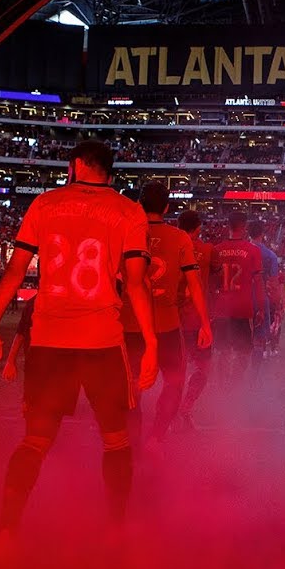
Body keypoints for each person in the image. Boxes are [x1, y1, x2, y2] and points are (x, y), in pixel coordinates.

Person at [0, 140, 158, 555]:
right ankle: (115, 529)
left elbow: (16, 270)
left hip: (48, 340)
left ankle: (6, 531)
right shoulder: (128, 210)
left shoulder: (43, 205)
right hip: (100, 340)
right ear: (109, 171)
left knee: (34, 441)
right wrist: (150, 343)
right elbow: (135, 283)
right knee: (116, 441)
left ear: (77, 165)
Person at [119, 182, 213, 453]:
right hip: (167, 326)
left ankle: (132, 439)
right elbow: (194, 285)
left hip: (130, 325)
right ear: (167, 207)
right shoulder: (180, 237)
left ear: (139, 205)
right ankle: (156, 437)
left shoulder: (126, 233)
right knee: (174, 383)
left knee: (131, 386)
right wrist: (205, 324)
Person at [175, 208, 219, 432]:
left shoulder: (169, 248)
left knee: (174, 371)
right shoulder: (207, 249)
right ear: (198, 229)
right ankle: (185, 407)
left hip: (171, 321)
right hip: (197, 321)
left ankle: (170, 413)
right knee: (203, 369)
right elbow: (216, 280)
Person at [212, 211, 265, 385]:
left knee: (223, 350)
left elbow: (212, 283)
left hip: (222, 308)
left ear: (228, 225)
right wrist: (261, 309)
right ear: (244, 227)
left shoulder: (217, 250)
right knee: (244, 351)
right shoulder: (253, 251)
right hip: (243, 309)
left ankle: (222, 384)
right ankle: (235, 382)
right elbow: (258, 282)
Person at [247, 221, 280, 359]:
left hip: (242, 297)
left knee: (238, 339)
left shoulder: (244, 251)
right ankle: (253, 377)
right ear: (262, 234)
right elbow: (273, 282)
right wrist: (277, 305)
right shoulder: (270, 255)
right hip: (261, 298)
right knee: (259, 340)